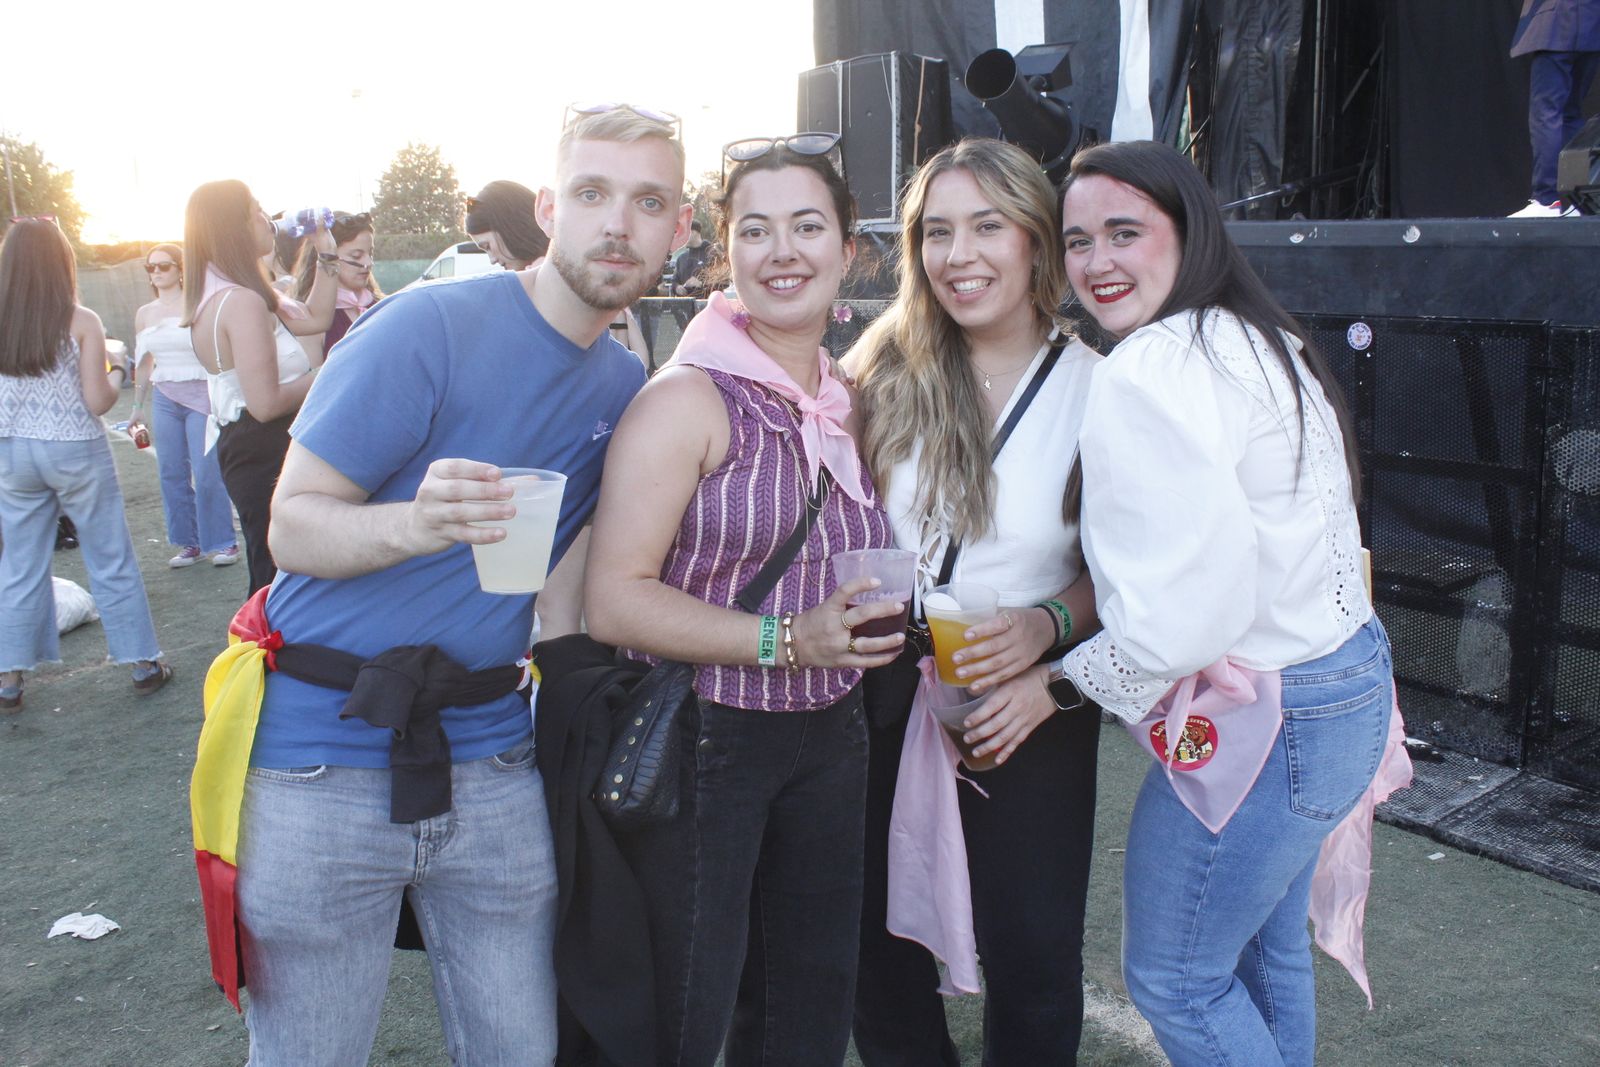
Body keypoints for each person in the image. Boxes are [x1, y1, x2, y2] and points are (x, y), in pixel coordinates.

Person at [219, 103, 686, 1064]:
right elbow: (292, 524)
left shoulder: (620, 384)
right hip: (319, 755)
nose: (618, 224)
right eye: (593, 193)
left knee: (520, 1049)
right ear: (551, 207)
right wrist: (415, 524)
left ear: (679, 228)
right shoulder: (428, 325)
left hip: (492, 760)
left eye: (649, 202)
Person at [1056, 139, 1395, 1066]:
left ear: (1188, 229)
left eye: (1124, 232)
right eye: (1077, 240)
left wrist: (1058, 678)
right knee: (1261, 946)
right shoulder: (1256, 334)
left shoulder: (1152, 367)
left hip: (1278, 712)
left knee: (1175, 978)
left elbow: (1183, 622)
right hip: (1344, 682)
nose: (1096, 262)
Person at [585, 134, 902, 1066]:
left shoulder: (847, 396)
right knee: (686, 1013)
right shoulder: (688, 398)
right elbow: (614, 600)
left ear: (851, 250)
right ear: (727, 253)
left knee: (807, 1011)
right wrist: (786, 637)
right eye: (755, 230)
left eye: (809, 226)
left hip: (832, 739)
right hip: (707, 741)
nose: (783, 251)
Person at [847, 137, 1103, 1066]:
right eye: (938, 232)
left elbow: (1130, 577)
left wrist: (1047, 629)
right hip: (872, 679)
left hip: (1021, 691)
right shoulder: (879, 367)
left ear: (1037, 239)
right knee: (875, 949)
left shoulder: (1102, 389)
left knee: (1034, 955)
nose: (961, 256)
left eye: (988, 226)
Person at [0, 219, 170, 711]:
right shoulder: (81, 320)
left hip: (12, 453)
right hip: (74, 449)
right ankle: (142, 664)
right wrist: (117, 367)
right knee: (109, 554)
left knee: (19, 564)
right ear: (62, 263)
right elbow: (98, 402)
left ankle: (8, 678)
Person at [184, 180, 336, 594]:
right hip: (264, 446)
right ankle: (267, 657)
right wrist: (330, 372)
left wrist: (326, 251)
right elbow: (266, 403)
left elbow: (317, 317)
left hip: (251, 444)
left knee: (282, 567)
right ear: (232, 227)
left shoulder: (230, 294)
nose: (267, 220)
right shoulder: (240, 302)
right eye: (256, 211)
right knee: (283, 574)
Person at [128, 243, 240, 568]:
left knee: (206, 473)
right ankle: (188, 543)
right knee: (171, 472)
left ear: (179, 268)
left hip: (201, 393)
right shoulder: (144, 314)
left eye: (164, 266)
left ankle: (223, 542)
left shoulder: (197, 304)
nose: (157, 272)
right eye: (151, 267)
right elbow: (145, 362)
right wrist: (137, 405)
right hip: (165, 396)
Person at [467, 179, 650, 365]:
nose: (492, 259)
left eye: (487, 246)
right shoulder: (586, 272)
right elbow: (640, 355)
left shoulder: (540, 283)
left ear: (510, 231)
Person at [1509, 0, 1600, 216]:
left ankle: (1547, 199)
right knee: (1570, 113)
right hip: (1591, 25)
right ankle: (1576, 200)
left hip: (1556, 22)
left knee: (1546, 113)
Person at [293, 210, 382, 354]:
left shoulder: (380, 306)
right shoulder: (310, 322)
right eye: (356, 256)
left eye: (370, 253)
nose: (368, 262)